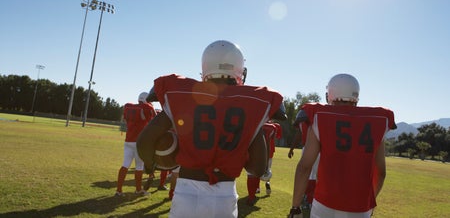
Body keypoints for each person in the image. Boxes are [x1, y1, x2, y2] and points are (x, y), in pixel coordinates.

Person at [137, 40, 287, 218]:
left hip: (186, 192)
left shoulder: (182, 93)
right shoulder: (254, 101)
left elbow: (144, 142)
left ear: (205, 67)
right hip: (223, 196)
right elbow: (258, 168)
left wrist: (151, 164)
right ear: (239, 69)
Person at [288, 74, 396, 218]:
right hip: (360, 207)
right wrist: (369, 204)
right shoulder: (379, 120)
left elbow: (304, 167)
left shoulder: (320, 116)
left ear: (330, 94)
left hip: (324, 204)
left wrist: (295, 207)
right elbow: (381, 173)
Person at [115, 92, 157, 196]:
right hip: (139, 143)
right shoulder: (147, 108)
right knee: (139, 166)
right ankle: (138, 190)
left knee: (125, 165)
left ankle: (118, 190)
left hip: (128, 141)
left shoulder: (129, 108)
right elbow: (154, 118)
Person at [246, 120, 282, 206]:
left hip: (253, 151)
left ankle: (252, 196)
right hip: (268, 153)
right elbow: (270, 143)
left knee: (251, 174)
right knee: (263, 171)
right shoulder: (273, 127)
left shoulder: (252, 122)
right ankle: (264, 184)